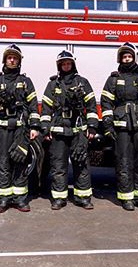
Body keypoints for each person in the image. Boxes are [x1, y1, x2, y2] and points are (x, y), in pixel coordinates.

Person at [100, 42, 138, 211]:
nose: (127, 59)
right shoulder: (114, 79)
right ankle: (126, 197)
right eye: (124, 57)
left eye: (129, 56)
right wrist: (108, 126)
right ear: (120, 59)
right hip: (121, 126)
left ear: (134, 58)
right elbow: (106, 103)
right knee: (123, 162)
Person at [0, 44, 41, 213]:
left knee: (21, 161)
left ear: (19, 61)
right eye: (9, 58)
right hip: (1, 130)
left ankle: (20, 199)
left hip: (20, 129)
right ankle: (3, 199)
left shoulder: (26, 82)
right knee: (3, 163)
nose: (12, 60)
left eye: (15, 58)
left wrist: (34, 126)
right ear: (5, 60)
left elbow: (33, 105)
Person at [41, 50, 98, 210]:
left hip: (78, 130)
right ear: (59, 66)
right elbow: (46, 109)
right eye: (63, 64)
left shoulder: (82, 83)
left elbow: (91, 106)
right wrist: (45, 129)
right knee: (59, 166)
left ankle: (83, 198)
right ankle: (59, 198)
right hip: (59, 130)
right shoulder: (53, 84)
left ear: (73, 65)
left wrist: (92, 126)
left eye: (68, 63)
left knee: (81, 164)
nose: (66, 66)